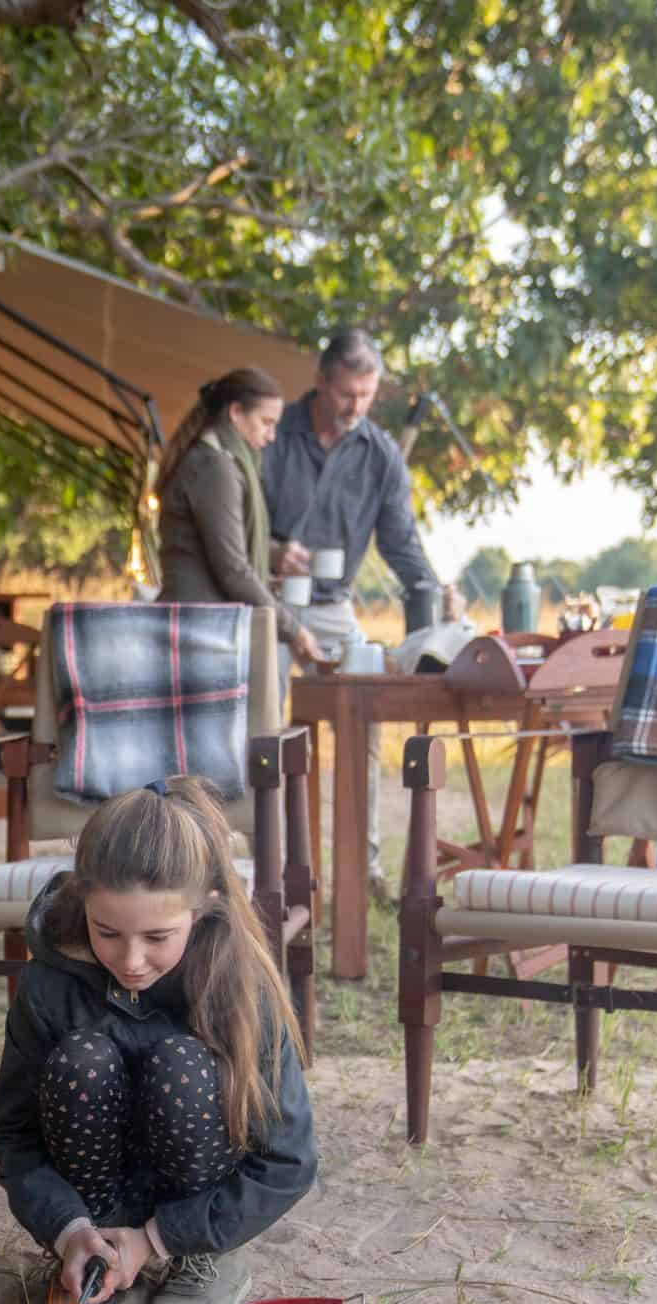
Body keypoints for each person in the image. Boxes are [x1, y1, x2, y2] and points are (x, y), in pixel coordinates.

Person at [0, 777, 317, 1304]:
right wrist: (67, 1228)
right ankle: (95, 1258)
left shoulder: (240, 984)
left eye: (158, 936)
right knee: (81, 1059)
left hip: (196, 1200)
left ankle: (198, 1258)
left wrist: (163, 1235)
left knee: (179, 1064)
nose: (132, 961)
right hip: (91, 1201)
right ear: (82, 903)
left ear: (203, 909)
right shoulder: (47, 983)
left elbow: (289, 1161)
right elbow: (14, 1134)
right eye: (106, 933)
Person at [263, 329, 461, 899]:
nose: (357, 407)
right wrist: (274, 552)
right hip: (268, 600)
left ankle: (362, 862)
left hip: (333, 606)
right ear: (322, 383)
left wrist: (435, 589)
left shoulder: (381, 455)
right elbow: (235, 528)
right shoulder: (272, 435)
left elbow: (401, 543)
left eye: (367, 396)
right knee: (263, 721)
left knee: (366, 714)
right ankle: (268, 863)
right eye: (349, 394)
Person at [155, 366, 327, 668]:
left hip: (204, 627)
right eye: (266, 423)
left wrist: (266, 574)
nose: (272, 436)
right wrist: (294, 630)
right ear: (236, 413)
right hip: (199, 634)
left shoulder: (218, 460)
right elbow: (233, 569)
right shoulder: (214, 466)